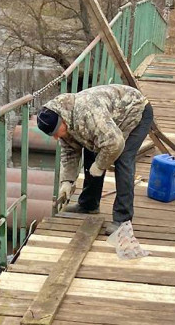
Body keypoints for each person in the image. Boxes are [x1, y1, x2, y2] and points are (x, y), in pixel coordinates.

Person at [36, 85, 153, 235]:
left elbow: (115, 143)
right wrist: (67, 181)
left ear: (62, 122)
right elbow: (70, 152)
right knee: (92, 148)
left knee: (123, 159)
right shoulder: (64, 119)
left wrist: (99, 165)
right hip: (111, 119)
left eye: (56, 133)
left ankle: (123, 220)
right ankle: (89, 204)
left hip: (136, 111)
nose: (55, 138)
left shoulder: (89, 114)